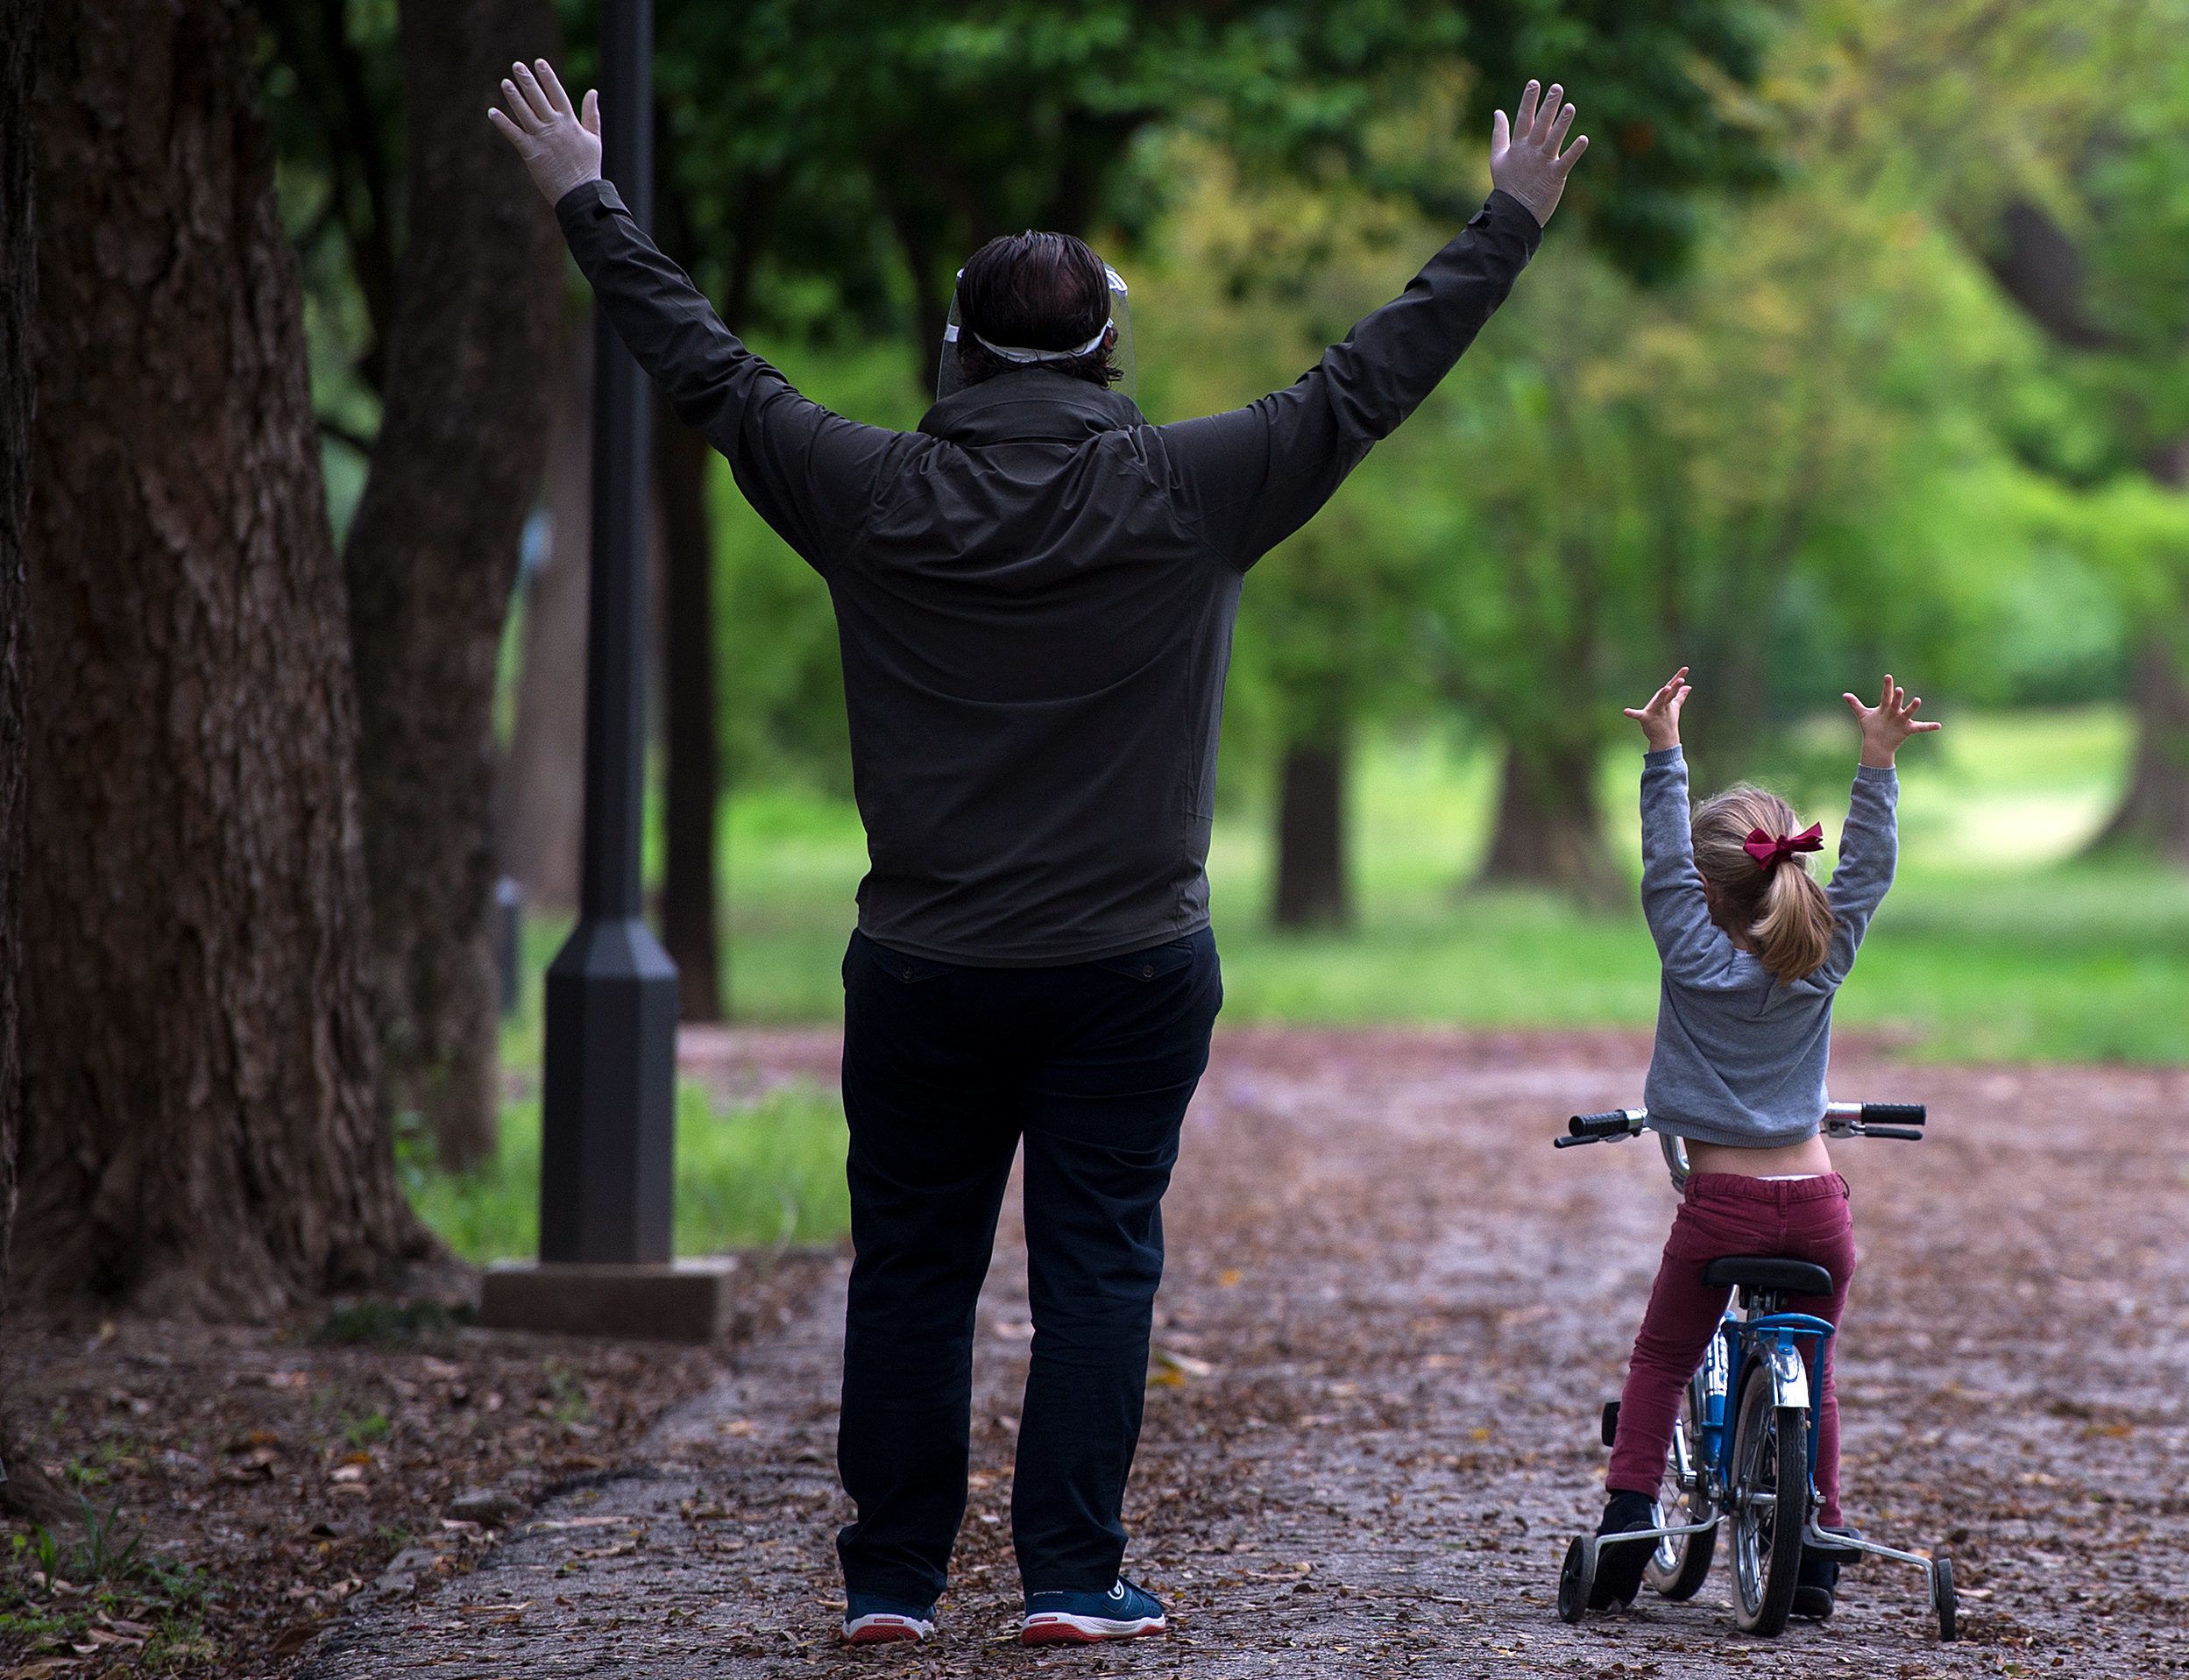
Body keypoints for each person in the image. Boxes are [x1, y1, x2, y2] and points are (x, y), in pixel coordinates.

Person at [486, 60, 1590, 1649]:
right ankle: (1071, 1577)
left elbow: (708, 372)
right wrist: (1505, 221)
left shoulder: (869, 492)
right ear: (1107, 344)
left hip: (925, 963)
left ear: (955, 345)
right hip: (1129, 967)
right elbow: (1369, 378)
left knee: (913, 1268)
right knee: (1095, 1266)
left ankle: (890, 1584)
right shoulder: (1193, 488)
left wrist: (585, 195)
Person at [1589, 666, 1938, 1620]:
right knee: (1813, 1373)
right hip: (1820, 1213)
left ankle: (1626, 1528)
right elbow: (1864, 873)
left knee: (1663, 1358)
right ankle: (1815, 1552)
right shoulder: (1820, 961)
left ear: (1705, 889)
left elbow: (1661, 862)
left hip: (1722, 1207)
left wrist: (1664, 750)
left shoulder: (1692, 957)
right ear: (1792, 873)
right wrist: (1877, 762)